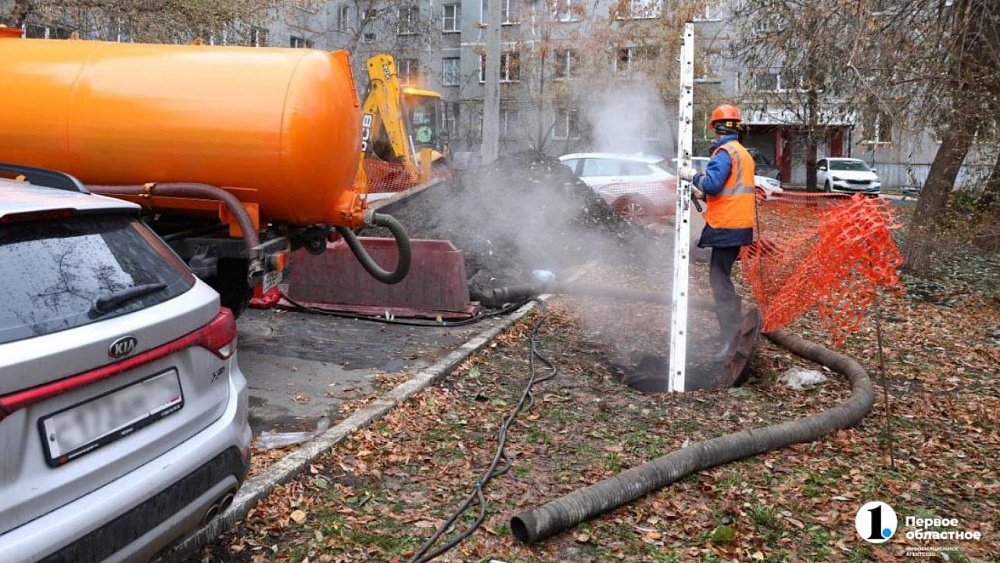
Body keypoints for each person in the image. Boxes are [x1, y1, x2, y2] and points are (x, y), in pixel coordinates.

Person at [678, 104, 756, 360]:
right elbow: (728, 191)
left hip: (727, 227)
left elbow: (712, 184)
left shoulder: (724, 152)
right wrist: (701, 194)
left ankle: (730, 337)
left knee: (718, 280)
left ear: (716, 128)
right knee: (721, 277)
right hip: (739, 226)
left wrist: (692, 176)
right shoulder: (742, 153)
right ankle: (733, 330)